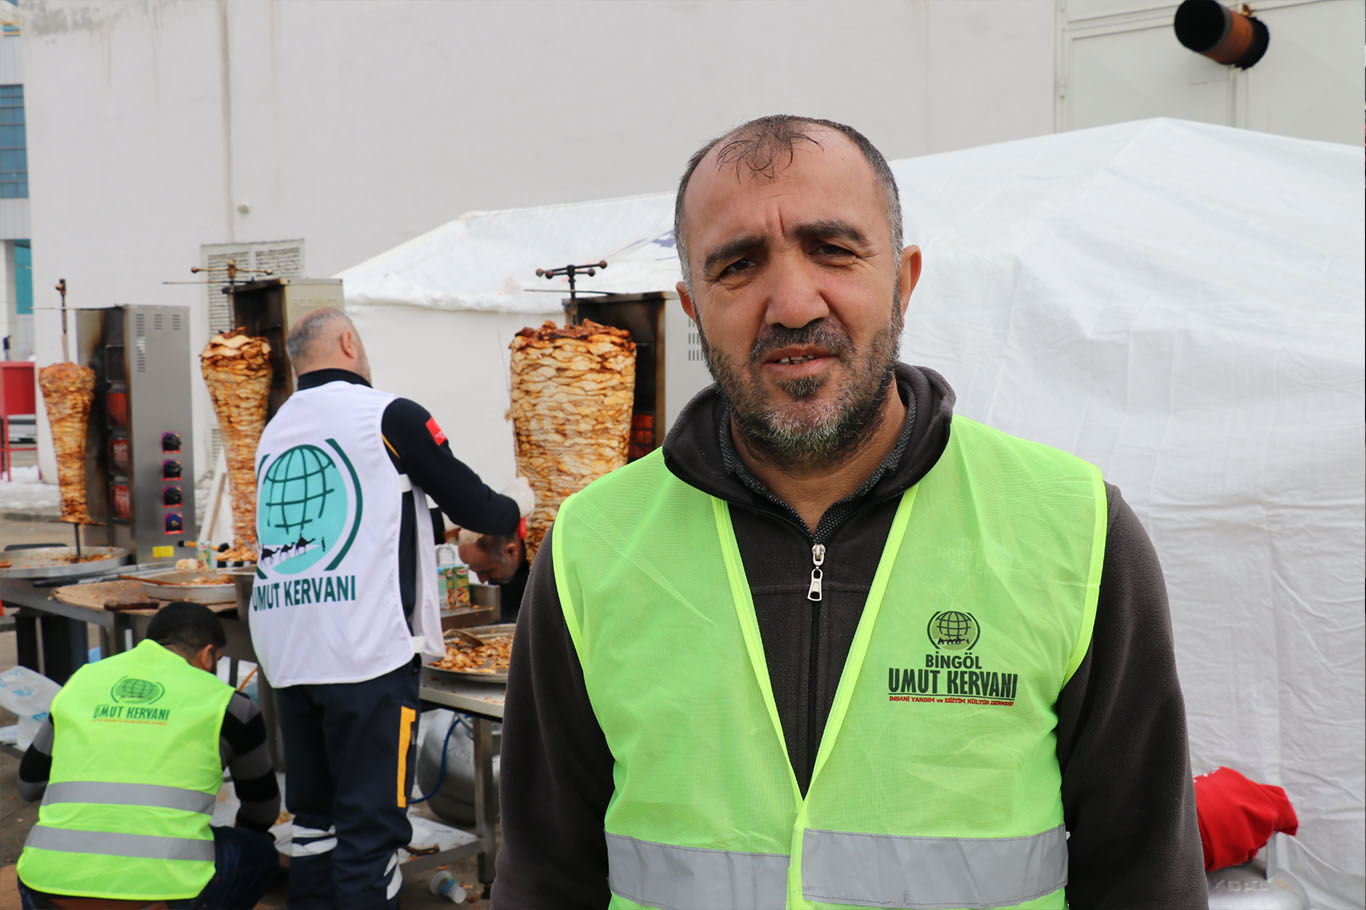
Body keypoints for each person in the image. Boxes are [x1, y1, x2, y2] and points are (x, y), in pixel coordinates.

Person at [492, 116, 1208, 909]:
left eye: (832, 249)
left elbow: (1146, 883)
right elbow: (544, 883)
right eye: (739, 265)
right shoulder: (592, 547)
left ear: (904, 280)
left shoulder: (1077, 531)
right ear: (692, 307)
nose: (793, 304)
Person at [249, 307, 532, 909]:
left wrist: (440, 528)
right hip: (365, 656)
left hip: (289, 653)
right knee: (370, 834)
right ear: (349, 342)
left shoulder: (276, 429)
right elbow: (476, 505)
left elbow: (374, 511)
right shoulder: (388, 415)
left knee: (316, 824)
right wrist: (519, 505)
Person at [16, 601, 281, 908]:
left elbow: (28, 785)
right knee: (259, 851)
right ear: (208, 654)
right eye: (218, 660)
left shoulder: (82, 681)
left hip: (45, 889)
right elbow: (262, 813)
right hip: (166, 894)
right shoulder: (229, 705)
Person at [455, 528, 528, 622]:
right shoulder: (501, 569)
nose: (482, 580)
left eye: (487, 571)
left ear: (511, 551)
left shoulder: (544, 563)